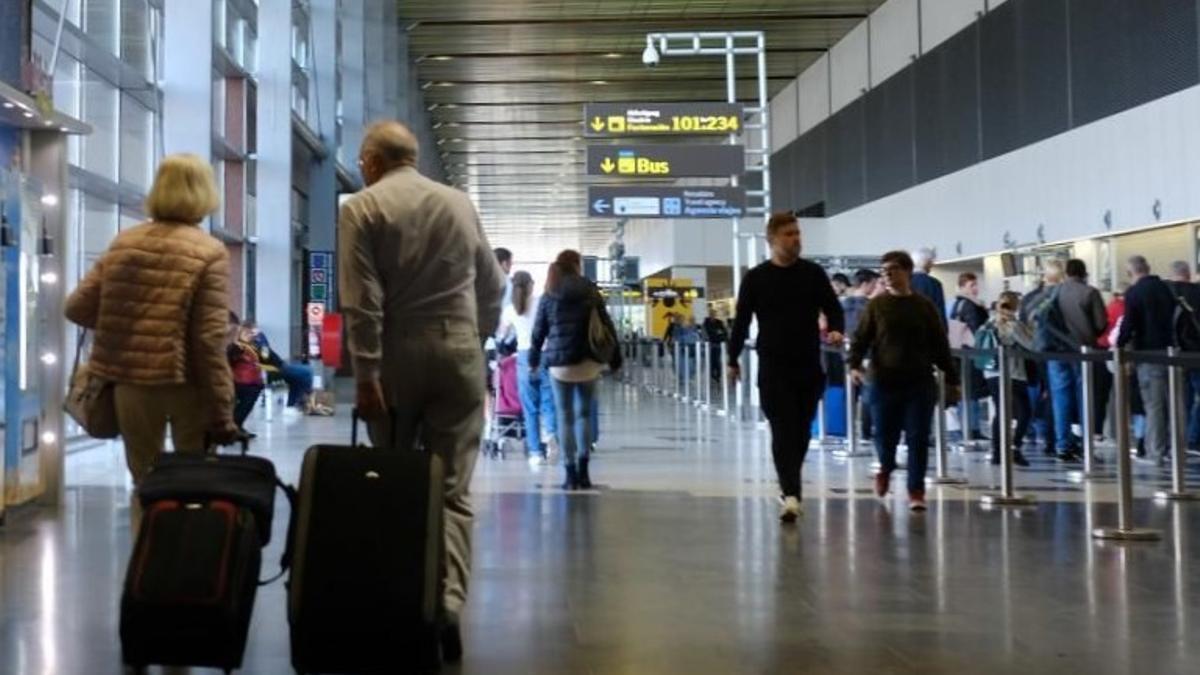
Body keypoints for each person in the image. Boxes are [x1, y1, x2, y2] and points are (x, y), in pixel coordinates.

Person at [339, 120, 505, 662]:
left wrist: (366, 375)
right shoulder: (458, 202)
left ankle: (397, 600)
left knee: (391, 479)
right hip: (458, 350)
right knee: (452, 489)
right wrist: (473, 333)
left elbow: (361, 300)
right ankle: (448, 606)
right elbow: (493, 283)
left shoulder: (360, 207)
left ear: (370, 161)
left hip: (394, 354)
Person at [64, 154, 238, 525]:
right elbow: (208, 340)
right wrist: (222, 406)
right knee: (193, 480)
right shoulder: (209, 252)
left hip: (130, 382)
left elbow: (77, 308)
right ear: (206, 193)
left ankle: (147, 564)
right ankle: (187, 560)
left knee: (145, 480)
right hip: (186, 383)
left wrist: (123, 321)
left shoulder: (124, 243)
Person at [728, 212, 844, 523]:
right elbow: (740, 322)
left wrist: (836, 328)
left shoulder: (813, 274)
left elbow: (833, 307)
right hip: (773, 366)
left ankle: (790, 486)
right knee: (782, 428)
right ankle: (791, 493)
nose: (796, 239)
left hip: (807, 364)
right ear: (772, 240)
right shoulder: (756, 278)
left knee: (801, 430)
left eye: (798, 233)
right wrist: (731, 359)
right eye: (789, 234)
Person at [849, 250, 958, 512]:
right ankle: (885, 467)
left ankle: (916, 490)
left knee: (918, 436)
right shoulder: (877, 306)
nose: (887, 274)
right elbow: (861, 338)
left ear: (907, 272)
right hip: (883, 380)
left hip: (918, 381)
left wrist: (952, 379)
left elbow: (939, 344)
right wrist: (853, 364)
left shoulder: (924, 306)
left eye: (893, 269)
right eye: (884, 270)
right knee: (885, 435)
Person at [529, 252, 622, 490]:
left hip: (560, 365)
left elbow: (539, 330)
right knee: (583, 415)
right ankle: (584, 472)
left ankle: (569, 475)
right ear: (577, 266)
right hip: (589, 361)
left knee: (565, 417)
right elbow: (606, 323)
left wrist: (533, 358)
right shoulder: (590, 289)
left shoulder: (550, 291)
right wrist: (615, 358)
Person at [1042, 259, 1108, 461]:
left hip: (1057, 352)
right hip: (1082, 351)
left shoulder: (1054, 292)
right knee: (1085, 398)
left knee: (1061, 399)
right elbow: (1100, 324)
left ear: (1066, 273)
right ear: (1084, 273)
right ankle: (1085, 445)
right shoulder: (1089, 292)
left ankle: (1062, 445)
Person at [1117, 256, 1177, 465]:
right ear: (1148, 268)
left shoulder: (1135, 292)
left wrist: (1119, 346)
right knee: (1175, 404)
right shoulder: (1167, 288)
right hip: (1173, 354)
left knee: (1154, 406)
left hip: (1149, 354)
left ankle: (1156, 452)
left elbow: (1129, 323)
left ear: (1130, 273)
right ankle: (1177, 450)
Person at [500, 270, 557, 462]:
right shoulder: (541, 303)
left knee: (530, 408)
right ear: (531, 284)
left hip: (523, 357)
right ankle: (550, 434)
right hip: (544, 353)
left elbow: (501, 335)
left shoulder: (510, 309)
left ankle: (535, 453)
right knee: (548, 403)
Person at [977, 292, 1033, 467]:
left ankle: (997, 452)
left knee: (1001, 412)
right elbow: (1031, 344)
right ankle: (1014, 447)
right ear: (1015, 306)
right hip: (1012, 373)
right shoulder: (1013, 325)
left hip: (991, 372)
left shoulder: (987, 323)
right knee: (1024, 412)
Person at [1022, 260, 1065, 454]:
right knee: (1055, 395)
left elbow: (1024, 323)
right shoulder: (1060, 295)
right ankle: (1054, 438)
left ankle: (1038, 432)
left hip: (1034, 351)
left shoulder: (1030, 298)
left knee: (1041, 393)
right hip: (1057, 350)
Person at [242, 319, 320, 416]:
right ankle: (305, 400)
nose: (257, 331)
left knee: (297, 378)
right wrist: (259, 339)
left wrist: (259, 337)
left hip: (279, 365)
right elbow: (264, 356)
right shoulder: (251, 344)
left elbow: (266, 352)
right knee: (307, 372)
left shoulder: (256, 339)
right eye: (253, 329)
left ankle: (293, 405)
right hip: (274, 369)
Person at [1166, 260, 1200, 451]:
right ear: (1188, 273)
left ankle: (1178, 439)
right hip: (1196, 351)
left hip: (1172, 351)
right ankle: (1193, 437)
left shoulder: (1164, 292)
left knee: (1179, 398)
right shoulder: (1197, 292)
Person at [227, 314, 265, 435]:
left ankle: (237, 426)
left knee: (245, 406)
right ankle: (235, 426)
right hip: (242, 382)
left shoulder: (252, 345)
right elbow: (229, 362)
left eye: (252, 332)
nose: (251, 335)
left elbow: (265, 357)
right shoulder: (237, 347)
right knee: (243, 406)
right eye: (248, 332)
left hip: (251, 382)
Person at [910, 247, 947, 329]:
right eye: (931, 261)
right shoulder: (935, 284)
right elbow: (939, 314)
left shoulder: (903, 282)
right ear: (927, 263)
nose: (932, 264)